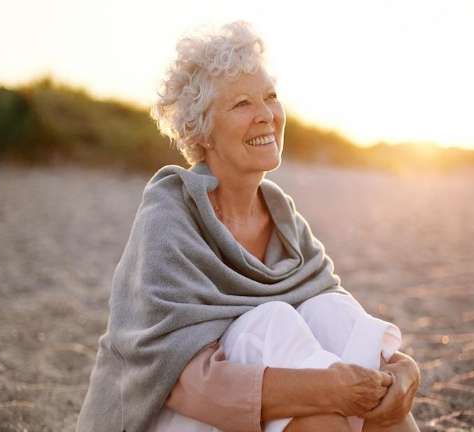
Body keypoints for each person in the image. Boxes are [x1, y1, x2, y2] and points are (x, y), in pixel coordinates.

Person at [75, 21, 420, 432]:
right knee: (271, 322)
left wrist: (403, 372)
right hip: (164, 415)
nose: (266, 116)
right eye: (242, 104)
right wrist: (326, 389)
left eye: (270, 97)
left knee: (328, 308)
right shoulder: (169, 218)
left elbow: (339, 320)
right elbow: (184, 383)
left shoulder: (283, 218)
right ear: (201, 130)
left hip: (259, 408)